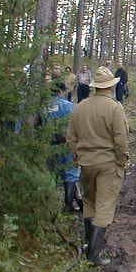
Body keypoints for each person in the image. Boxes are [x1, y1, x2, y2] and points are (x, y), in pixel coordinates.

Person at [67, 66, 129, 265]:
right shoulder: (115, 108)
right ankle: (93, 255)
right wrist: (121, 161)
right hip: (108, 164)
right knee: (104, 206)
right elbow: (121, 139)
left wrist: (77, 157)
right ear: (110, 86)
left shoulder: (80, 106)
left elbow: (71, 137)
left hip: (86, 164)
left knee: (89, 203)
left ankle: (87, 243)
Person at [47, 81, 83, 212]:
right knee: (71, 174)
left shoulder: (42, 107)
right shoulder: (70, 107)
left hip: (49, 145)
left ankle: (49, 204)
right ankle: (68, 205)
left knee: (51, 173)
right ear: (61, 91)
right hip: (68, 144)